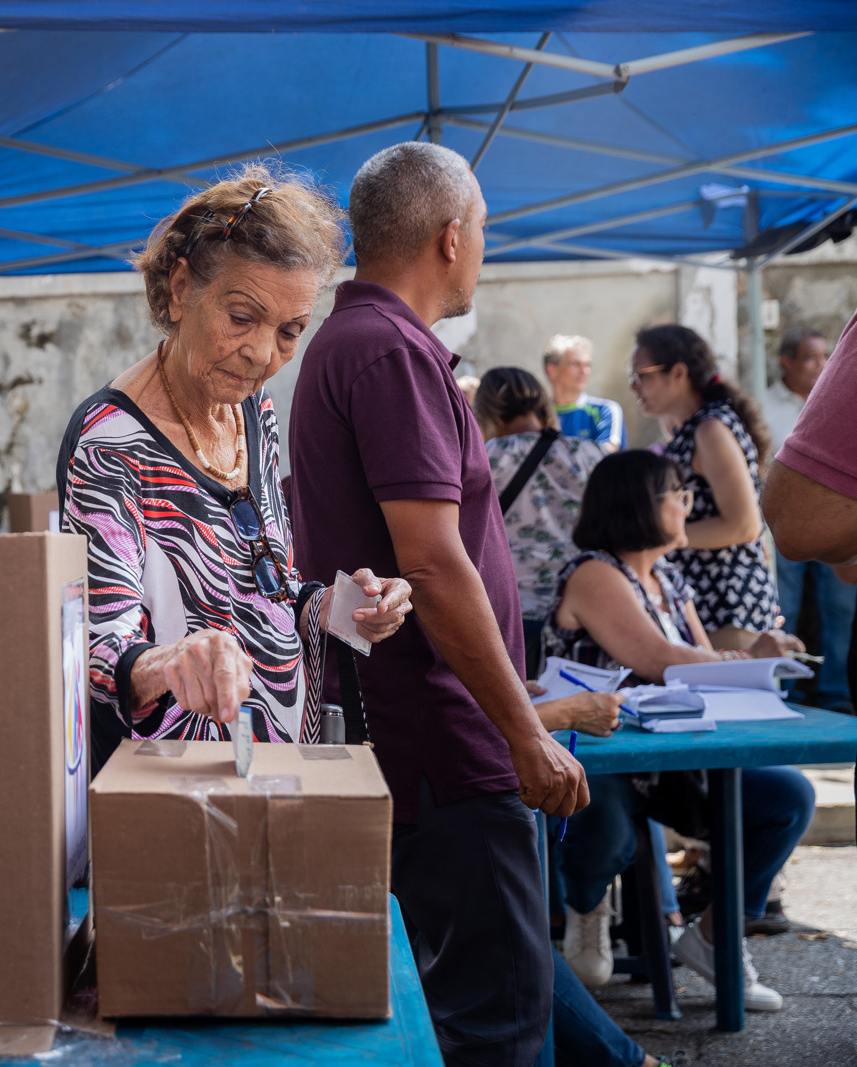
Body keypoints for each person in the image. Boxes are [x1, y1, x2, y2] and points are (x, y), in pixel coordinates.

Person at [288, 140, 586, 1067]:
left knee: (470, 1010)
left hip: (421, 735)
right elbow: (434, 560)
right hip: (444, 746)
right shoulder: (389, 351)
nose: (485, 249)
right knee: (495, 1027)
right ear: (452, 236)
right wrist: (523, 731)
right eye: (485, 230)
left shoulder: (363, 344)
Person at [57, 165, 413, 767]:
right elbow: (100, 657)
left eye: (289, 331)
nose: (260, 353)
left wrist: (341, 607)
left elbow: (266, 584)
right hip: (176, 786)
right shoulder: (110, 443)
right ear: (179, 288)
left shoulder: (253, 412)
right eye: (241, 318)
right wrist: (174, 661)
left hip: (274, 766)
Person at [543, 451, 811, 1010]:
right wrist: (746, 659)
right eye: (678, 492)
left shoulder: (670, 578)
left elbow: (702, 664)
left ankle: (714, 936)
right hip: (601, 754)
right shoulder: (594, 571)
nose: (688, 503)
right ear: (639, 502)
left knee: (787, 797)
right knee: (608, 824)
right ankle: (586, 905)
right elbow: (661, 659)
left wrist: (753, 658)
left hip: (672, 761)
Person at [628, 324, 778, 650]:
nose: (634, 386)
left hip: (727, 606)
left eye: (642, 375)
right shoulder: (693, 427)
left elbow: (744, 526)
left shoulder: (710, 430)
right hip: (710, 606)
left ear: (678, 373)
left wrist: (659, 539)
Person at [475, 367, 605, 676]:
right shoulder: (590, 454)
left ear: (485, 411)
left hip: (508, 616)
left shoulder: (481, 458)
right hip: (586, 614)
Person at [764, 310, 857, 703]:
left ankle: (834, 690)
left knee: (838, 606)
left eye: (825, 356)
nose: (821, 364)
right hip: (811, 524)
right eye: (811, 357)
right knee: (786, 606)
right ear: (786, 362)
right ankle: (784, 688)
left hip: (829, 524)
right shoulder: (767, 403)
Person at [543, 334, 625, 453]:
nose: (584, 371)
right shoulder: (537, 415)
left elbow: (606, 455)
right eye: (575, 364)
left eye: (587, 365)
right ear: (551, 370)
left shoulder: (606, 410)